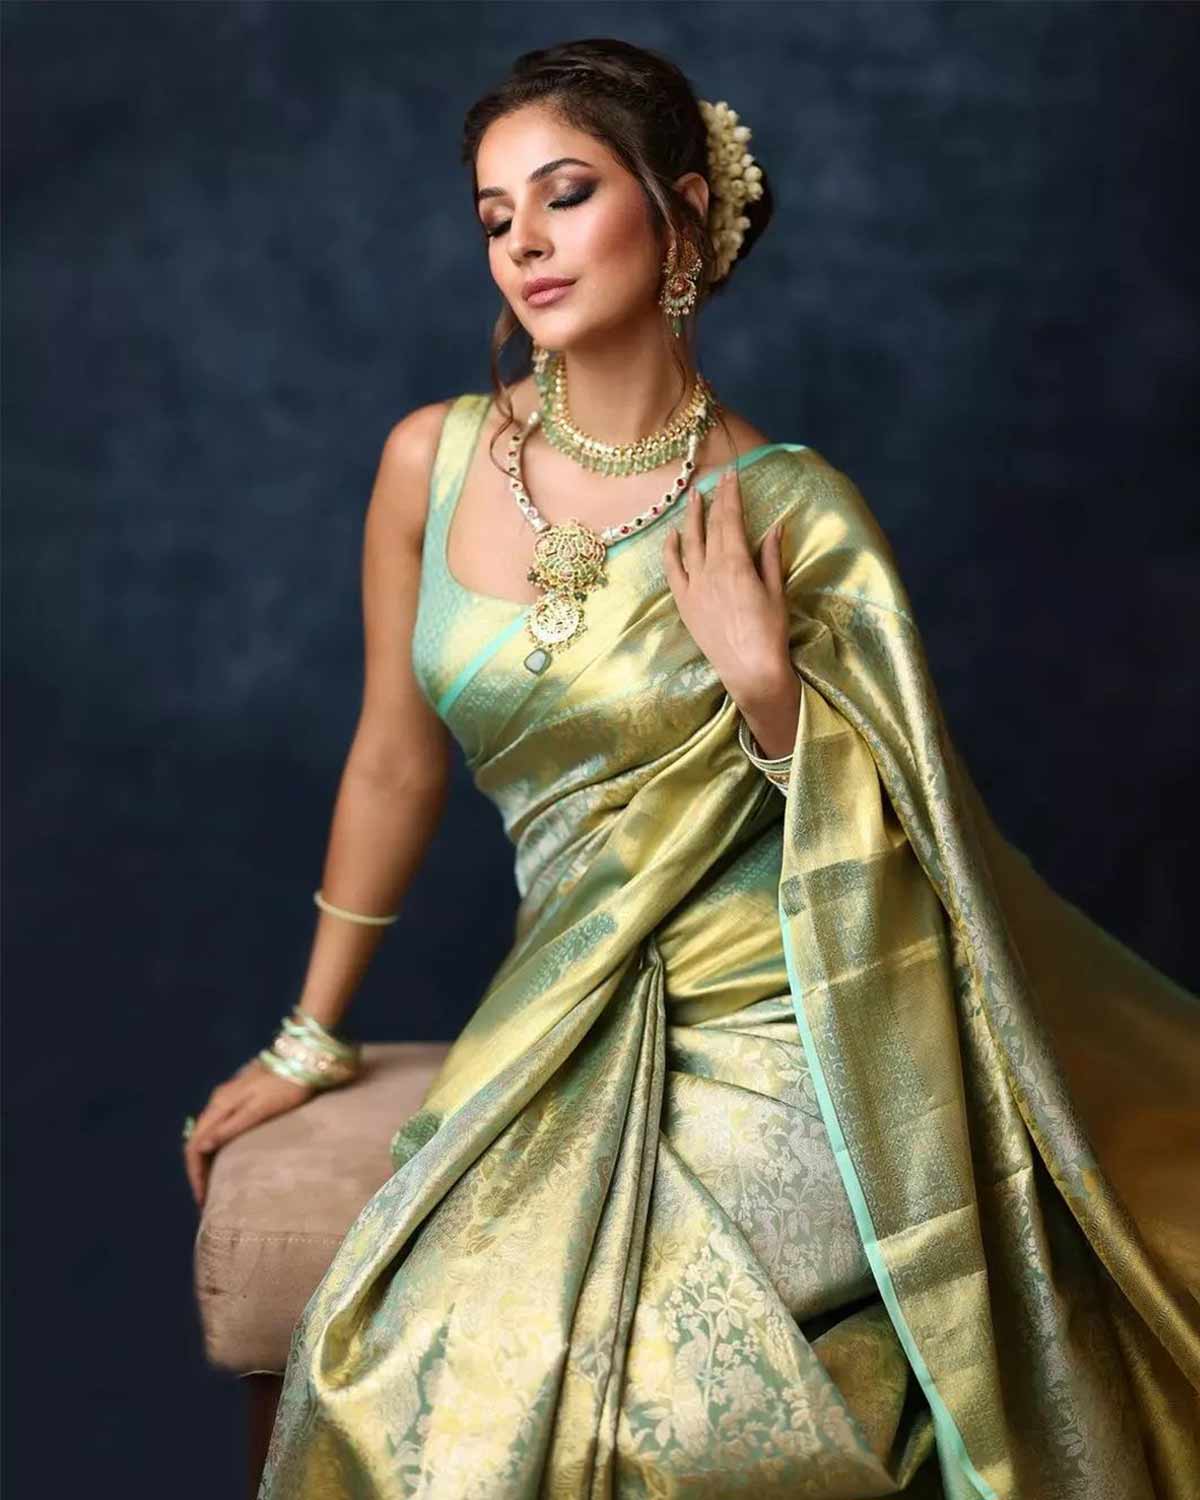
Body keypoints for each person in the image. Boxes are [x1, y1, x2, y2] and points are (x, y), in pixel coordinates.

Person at [184, 37, 1200, 1500]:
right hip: (573, 1009)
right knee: (444, 1334)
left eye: (566, 195)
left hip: (793, 1039)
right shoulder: (431, 460)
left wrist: (771, 693)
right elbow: (392, 766)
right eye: (494, 216)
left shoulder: (787, 509)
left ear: (682, 212)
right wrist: (307, 1036)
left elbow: (914, 849)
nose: (524, 243)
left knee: (589, 1356)